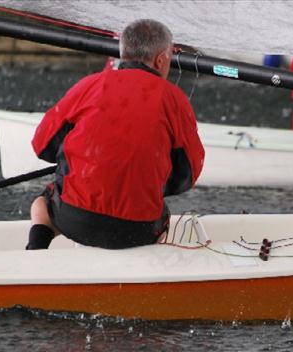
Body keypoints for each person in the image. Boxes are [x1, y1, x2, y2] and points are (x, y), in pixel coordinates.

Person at [26, 19, 205, 250]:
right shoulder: (175, 100)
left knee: (41, 203)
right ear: (161, 59)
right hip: (137, 230)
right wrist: (153, 182)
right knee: (163, 216)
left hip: (75, 221)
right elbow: (188, 174)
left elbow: (42, 146)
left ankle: (35, 256)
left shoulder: (89, 85)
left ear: (123, 52)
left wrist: (73, 160)